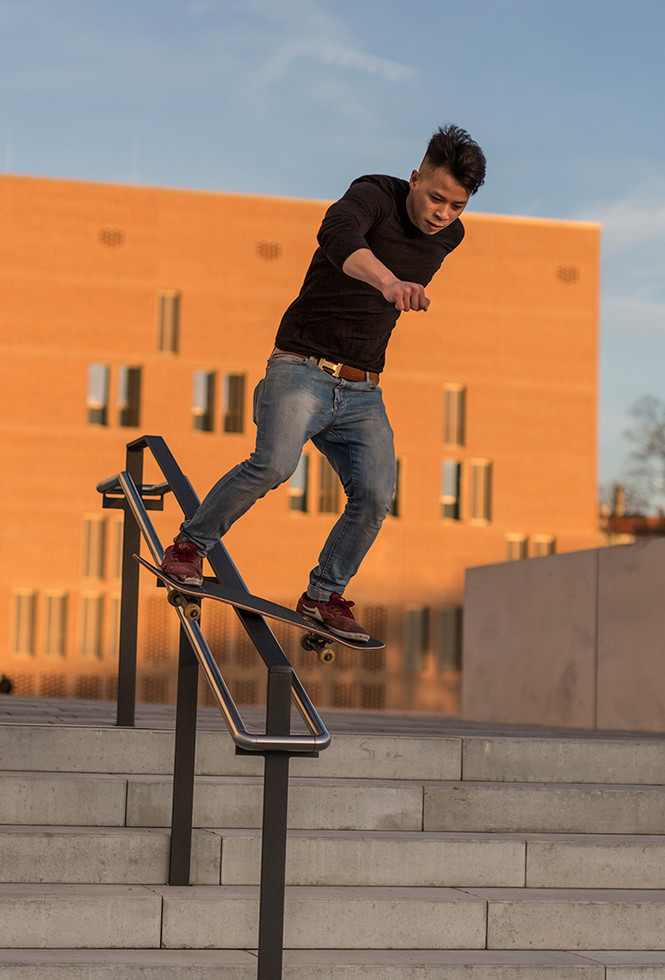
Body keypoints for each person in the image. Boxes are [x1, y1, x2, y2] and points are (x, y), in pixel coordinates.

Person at [161, 124, 486, 641]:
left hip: (363, 390)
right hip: (301, 367)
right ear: (414, 178)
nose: (441, 215)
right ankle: (188, 547)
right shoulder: (374, 195)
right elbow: (337, 237)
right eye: (435, 197)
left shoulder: (451, 238)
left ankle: (322, 596)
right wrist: (389, 283)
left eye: (456, 206)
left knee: (377, 494)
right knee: (273, 465)